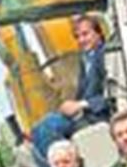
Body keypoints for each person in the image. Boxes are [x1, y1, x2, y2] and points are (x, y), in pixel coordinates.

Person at [31, 13, 111, 158]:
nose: (81, 40)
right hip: (85, 114)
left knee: (48, 128)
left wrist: (81, 105)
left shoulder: (106, 56)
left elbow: (112, 95)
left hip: (99, 116)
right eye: (77, 36)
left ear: (99, 34)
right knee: (37, 129)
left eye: (85, 34)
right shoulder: (85, 59)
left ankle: (63, 166)